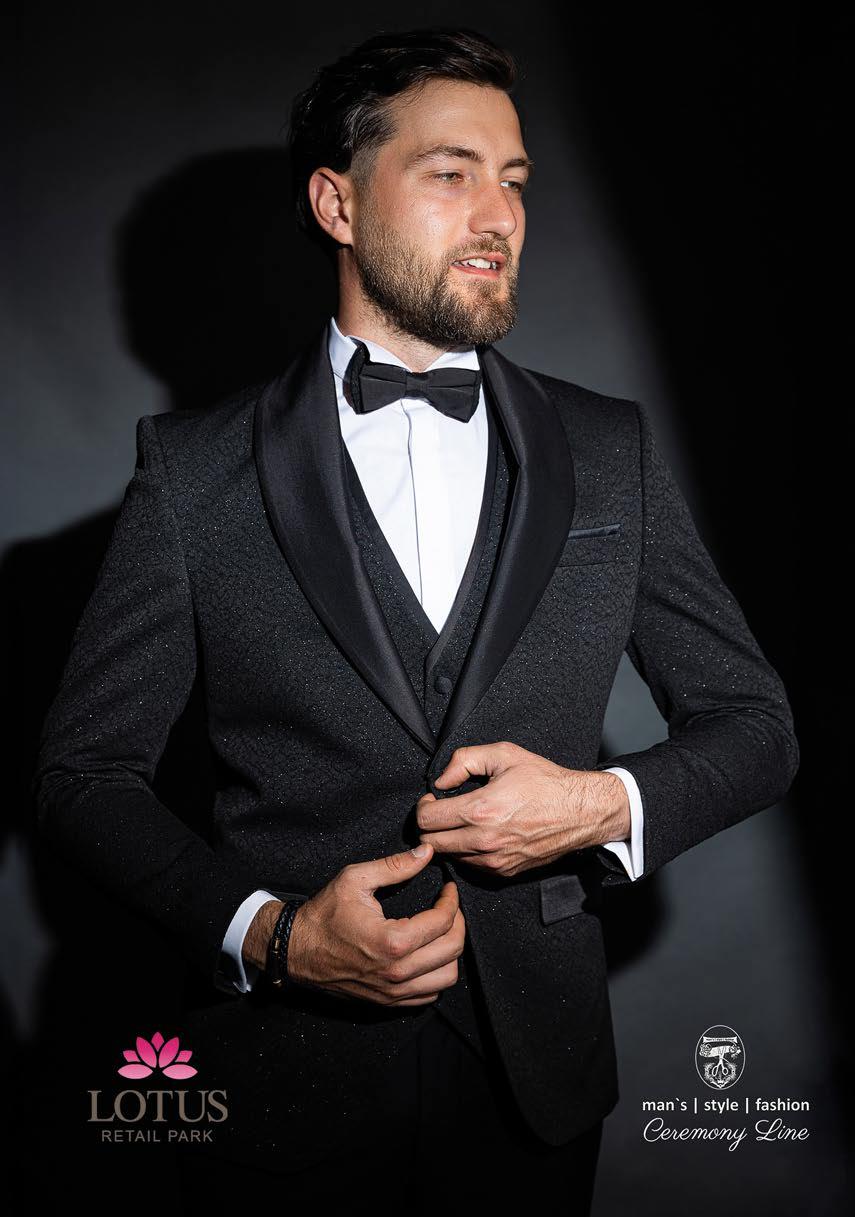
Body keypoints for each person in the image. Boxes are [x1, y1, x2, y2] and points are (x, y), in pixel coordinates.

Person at [31, 26, 799, 1215]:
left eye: (515, 179)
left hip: (537, 1089)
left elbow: (757, 726)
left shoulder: (608, 449)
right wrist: (274, 935)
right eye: (451, 172)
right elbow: (84, 777)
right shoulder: (190, 474)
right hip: (279, 1094)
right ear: (336, 203)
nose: (499, 215)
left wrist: (599, 803)